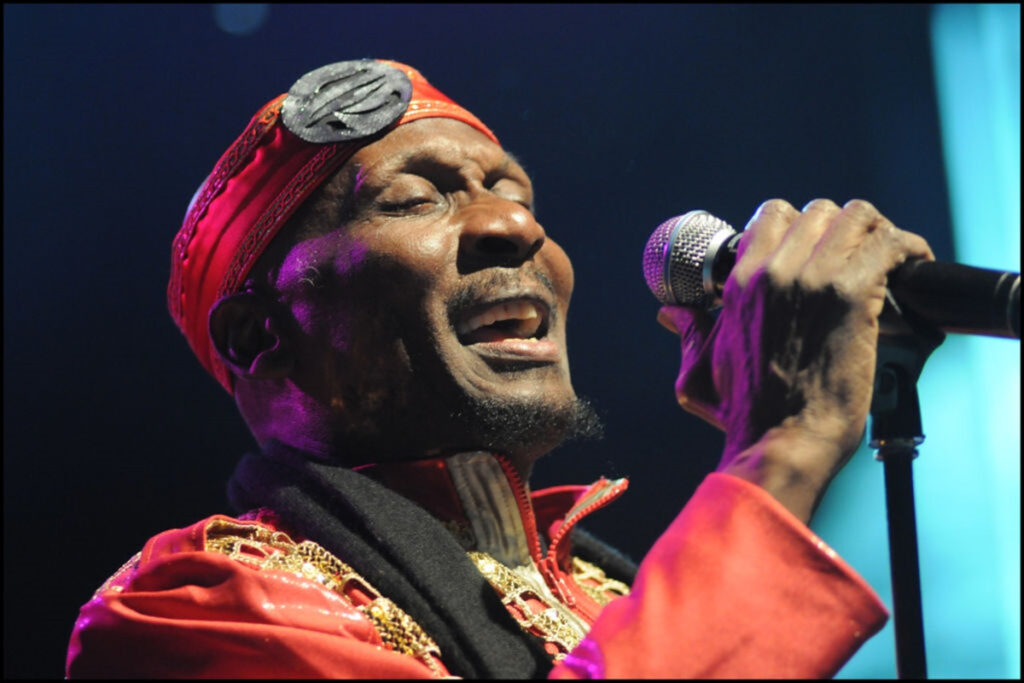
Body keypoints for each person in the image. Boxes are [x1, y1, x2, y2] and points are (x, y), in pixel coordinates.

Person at [66, 58, 933, 678]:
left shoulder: (606, 592)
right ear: (260, 333)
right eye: (414, 198)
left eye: (516, 194)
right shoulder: (197, 606)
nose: (516, 227)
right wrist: (779, 450)